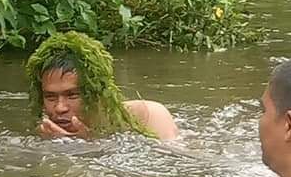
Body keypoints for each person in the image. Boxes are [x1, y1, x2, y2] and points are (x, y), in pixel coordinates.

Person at [25, 31, 178, 141]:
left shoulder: (148, 116)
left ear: (98, 92)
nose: (59, 108)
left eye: (72, 95)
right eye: (50, 97)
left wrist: (89, 144)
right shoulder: (47, 133)